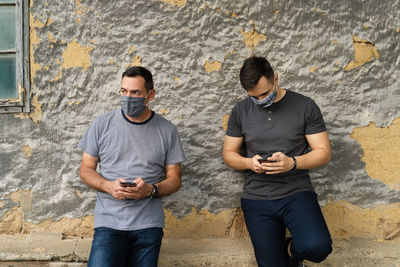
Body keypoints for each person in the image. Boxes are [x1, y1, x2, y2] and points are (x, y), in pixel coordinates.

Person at [222, 56, 332, 267]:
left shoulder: (305, 105)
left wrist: (293, 163)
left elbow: (324, 152)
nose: (261, 100)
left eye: (265, 93)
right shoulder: (240, 111)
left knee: (317, 246)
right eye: (254, 97)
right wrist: (248, 163)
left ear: (276, 79)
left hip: (296, 192)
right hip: (257, 197)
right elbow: (228, 153)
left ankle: (290, 250)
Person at [78, 66, 186, 267]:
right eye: (123, 91)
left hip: (148, 224)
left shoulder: (167, 130)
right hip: (109, 223)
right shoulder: (102, 124)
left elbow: (175, 179)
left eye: (135, 93)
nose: (128, 97)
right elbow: (85, 169)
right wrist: (108, 186)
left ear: (150, 95)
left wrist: (151, 190)